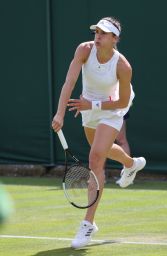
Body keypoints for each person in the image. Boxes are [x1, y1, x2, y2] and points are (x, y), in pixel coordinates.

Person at [52, 16, 146, 249]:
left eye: (104, 33)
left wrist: (91, 105)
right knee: (101, 150)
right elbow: (69, 81)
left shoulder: (123, 66)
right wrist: (60, 114)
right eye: (97, 32)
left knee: (95, 159)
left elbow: (122, 100)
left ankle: (88, 224)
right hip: (89, 106)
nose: (98, 36)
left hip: (113, 108)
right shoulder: (84, 50)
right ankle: (131, 164)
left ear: (115, 39)